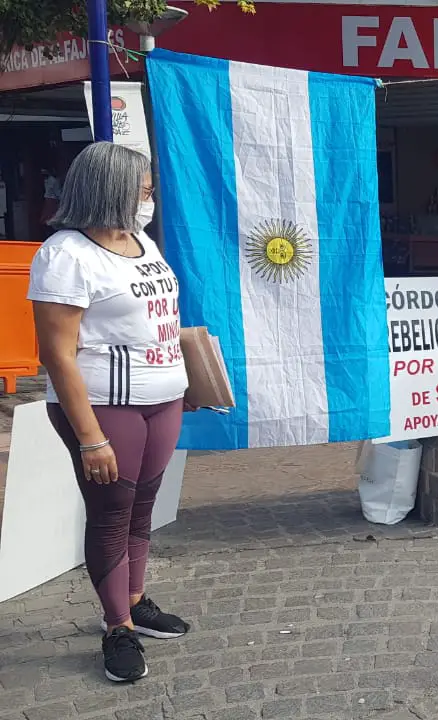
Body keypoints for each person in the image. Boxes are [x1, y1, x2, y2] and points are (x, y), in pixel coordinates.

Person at [28, 142, 190, 682]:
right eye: (143, 190)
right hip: (105, 404)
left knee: (142, 509)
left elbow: (158, 319)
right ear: (110, 189)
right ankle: (116, 626)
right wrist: (91, 437)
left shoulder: (141, 241)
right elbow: (57, 354)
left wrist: (185, 377)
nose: (150, 199)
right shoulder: (65, 255)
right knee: (112, 514)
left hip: (163, 397)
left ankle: (136, 601)